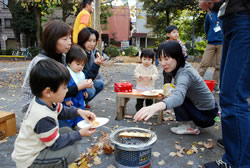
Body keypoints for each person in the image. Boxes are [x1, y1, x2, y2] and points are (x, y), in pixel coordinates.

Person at [12, 59, 96, 168]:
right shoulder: (42, 116)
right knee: (72, 151)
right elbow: (55, 143)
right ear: (48, 92)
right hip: (30, 159)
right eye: (64, 87)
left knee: (66, 130)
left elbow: (62, 111)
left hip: (38, 146)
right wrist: (80, 134)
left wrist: (80, 112)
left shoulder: (46, 101)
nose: (67, 91)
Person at [200, 0, 250, 168]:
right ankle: (237, 146)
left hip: (244, 21)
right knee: (229, 94)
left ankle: (236, 161)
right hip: (231, 21)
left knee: (233, 97)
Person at [134, 41, 218, 135]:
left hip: (206, 116)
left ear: (177, 56)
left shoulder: (185, 73)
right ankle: (188, 122)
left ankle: (189, 126)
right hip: (207, 110)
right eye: (160, 59)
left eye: (166, 59)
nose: (162, 63)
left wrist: (155, 107)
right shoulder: (182, 66)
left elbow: (178, 97)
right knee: (170, 90)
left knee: (173, 94)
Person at [21, 20, 92, 114]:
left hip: (55, 100)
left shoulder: (62, 56)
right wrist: (79, 87)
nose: (69, 42)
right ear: (52, 39)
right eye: (65, 39)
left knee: (87, 93)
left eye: (70, 38)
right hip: (37, 108)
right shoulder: (42, 63)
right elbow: (54, 93)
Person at [59, 45, 93, 128]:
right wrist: (66, 99)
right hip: (70, 99)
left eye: (82, 65)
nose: (80, 67)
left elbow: (83, 82)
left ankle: (78, 125)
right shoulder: (67, 74)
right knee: (69, 114)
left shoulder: (82, 74)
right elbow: (65, 87)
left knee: (80, 111)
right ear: (69, 62)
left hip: (79, 97)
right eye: (78, 64)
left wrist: (84, 90)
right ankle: (69, 127)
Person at [77, 27, 104, 109]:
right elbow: (86, 77)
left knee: (101, 84)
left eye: (94, 41)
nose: (92, 44)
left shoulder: (90, 50)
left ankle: (85, 102)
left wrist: (97, 53)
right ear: (82, 40)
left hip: (88, 79)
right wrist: (96, 65)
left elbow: (95, 50)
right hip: (78, 83)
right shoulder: (79, 54)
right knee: (91, 91)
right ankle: (80, 103)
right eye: (89, 41)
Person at [198, 9, 222, 92]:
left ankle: (215, 84)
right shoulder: (209, 14)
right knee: (204, 63)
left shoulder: (225, 12)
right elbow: (206, 28)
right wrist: (211, 35)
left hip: (222, 43)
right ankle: (196, 82)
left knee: (219, 65)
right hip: (211, 43)